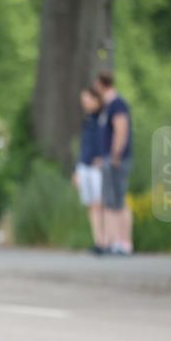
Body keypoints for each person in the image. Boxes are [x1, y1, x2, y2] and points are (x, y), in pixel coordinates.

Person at [94, 72, 133, 255]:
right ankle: (114, 241)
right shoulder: (107, 106)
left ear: (102, 84)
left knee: (118, 201)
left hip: (116, 160)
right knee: (111, 201)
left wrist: (115, 154)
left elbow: (121, 129)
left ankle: (123, 243)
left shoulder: (117, 104)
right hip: (108, 159)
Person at [72, 87, 106, 254]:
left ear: (96, 100)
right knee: (92, 205)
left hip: (97, 167)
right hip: (84, 166)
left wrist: (103, 157)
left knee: (101, 204)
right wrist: (77, 170)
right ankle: (98, 241)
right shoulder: (88, 120)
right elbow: (84, 147)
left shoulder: (103, 119)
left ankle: (107, 241)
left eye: (87, 100)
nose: (84, 104)